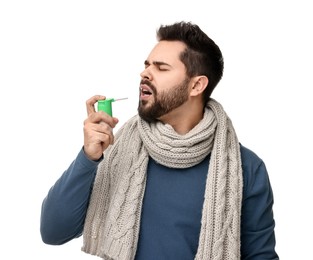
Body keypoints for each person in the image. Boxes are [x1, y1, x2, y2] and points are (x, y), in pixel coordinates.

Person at [40, 21, 279, 260]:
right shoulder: (114, 149)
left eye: (161, 68)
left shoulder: (246, 168)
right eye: (146, 66)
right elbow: (53, 232)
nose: (145, 73)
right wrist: (88, 157)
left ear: (196, 85)